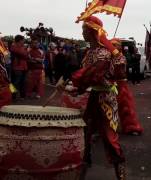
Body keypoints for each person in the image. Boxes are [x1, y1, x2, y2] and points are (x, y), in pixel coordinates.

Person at [58, 16, 126, 180]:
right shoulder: (90, 53)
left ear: (92, 31)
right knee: (85, 133)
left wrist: (71, 82)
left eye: (84, 30)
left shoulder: (103, 54)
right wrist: (75, 88)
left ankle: (121, 173)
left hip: (106, 99)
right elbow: (87, 77)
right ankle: (83, 168)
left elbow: (91, 75)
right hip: (95, 96)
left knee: (110, 138)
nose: (82, 33)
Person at [111, 38, 144, 135]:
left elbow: (120, 69)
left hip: (120, 85)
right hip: (109, 84)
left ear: (119, 47)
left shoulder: (121, 57)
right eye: (111, 45)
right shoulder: (107, 57)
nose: (113, 47)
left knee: (126, 107)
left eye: (115, 45)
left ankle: (131, 126)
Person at [10, 35, 28, 99]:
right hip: (17, 68)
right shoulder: (14, 46)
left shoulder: (21, 47)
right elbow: (23, 53)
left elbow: (26, 55)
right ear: (20, 40)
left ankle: (22, 96)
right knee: (15, 83)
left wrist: (25, 53)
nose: (24, 41)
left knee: (23, 82)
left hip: (23, 67)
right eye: (23, 40)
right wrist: (25, 52)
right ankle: (12, 96)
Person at [0, 38, 12, 108]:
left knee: (8, 80)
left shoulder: (3, 48)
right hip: (4, 69)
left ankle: (13, 92)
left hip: (6, 68)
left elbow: (7, 60)